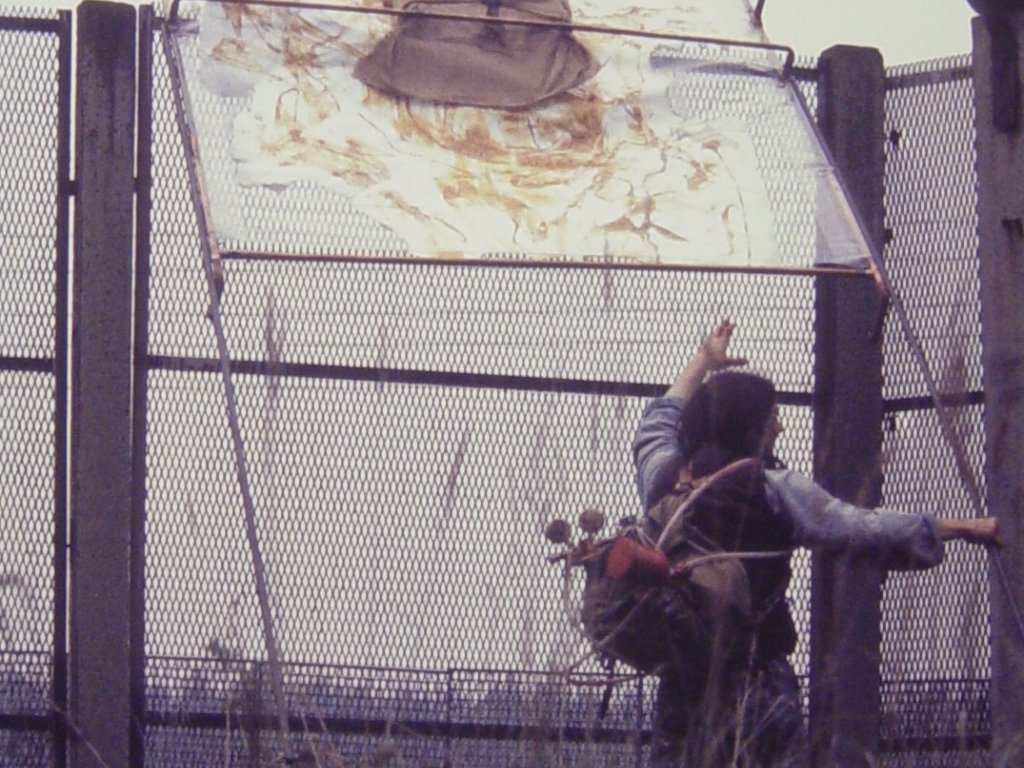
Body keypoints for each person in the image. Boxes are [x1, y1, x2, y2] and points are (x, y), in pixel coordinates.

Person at [631, 320, 1000, 768]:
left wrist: (702, 361)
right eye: (771, 418)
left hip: (683, 677)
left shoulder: (663, 477)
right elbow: (854, 527)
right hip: (758, 674)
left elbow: (658, 420)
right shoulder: (768, 485)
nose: (780, 427)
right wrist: (957, 527)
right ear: (750, 428)